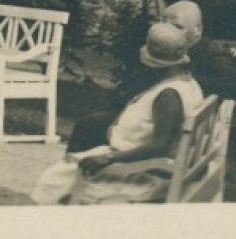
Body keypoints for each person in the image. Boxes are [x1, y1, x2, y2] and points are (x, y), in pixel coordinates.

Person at [31, 20, 205, 205]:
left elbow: (159, 146)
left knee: (51, 181)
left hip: (143, 172)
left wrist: (108, 158)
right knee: (65, 168)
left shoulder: (169, 95)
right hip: (146, 162)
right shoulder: (188, 83)